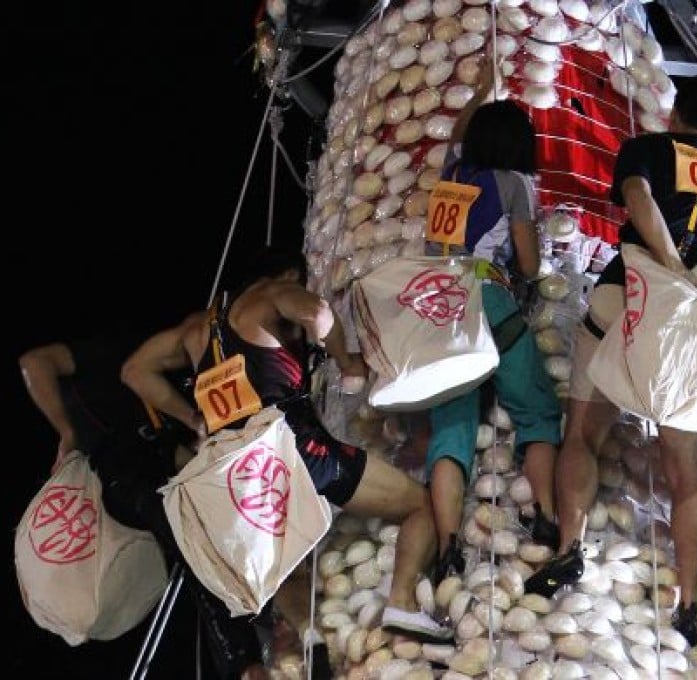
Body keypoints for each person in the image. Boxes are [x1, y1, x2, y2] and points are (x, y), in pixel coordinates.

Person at [119, 246, 453, 644]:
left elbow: (134, 371)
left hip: (243, 476)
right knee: (421, 505)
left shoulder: (196, 331)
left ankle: (310, 639)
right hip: (296, 454)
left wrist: (194, 418)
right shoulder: (270, 296)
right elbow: (318, 313)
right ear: (286, 273)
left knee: (281, 561)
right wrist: (346, 362)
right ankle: (402, 603)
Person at [525, 72, 697, 648]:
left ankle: (569, 548)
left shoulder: (649, 148)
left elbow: (639, 198)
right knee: (686, 468)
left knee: (582, 431)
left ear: (674, 116)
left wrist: (667, 262)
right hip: (690, 333)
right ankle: (692, 604)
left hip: (625, 297)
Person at [19, 325, 274, 680]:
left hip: (160, 467)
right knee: (191, 545)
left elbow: (180, 455)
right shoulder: (108, 357)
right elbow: (34, 363)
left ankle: (255, 644)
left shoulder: (172, 393)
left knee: (204, 537)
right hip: (121, 476)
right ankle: (245, 662)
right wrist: (67, 432)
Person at [424, 56, 563, 582]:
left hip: (439, 305)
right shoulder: (515, 185)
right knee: (536, 410)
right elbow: (528, 264)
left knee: (451, 429)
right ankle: (546, 518)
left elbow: (459, 139)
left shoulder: (450, 176)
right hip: (489, 299)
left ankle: (445, 546)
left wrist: (482, 86)